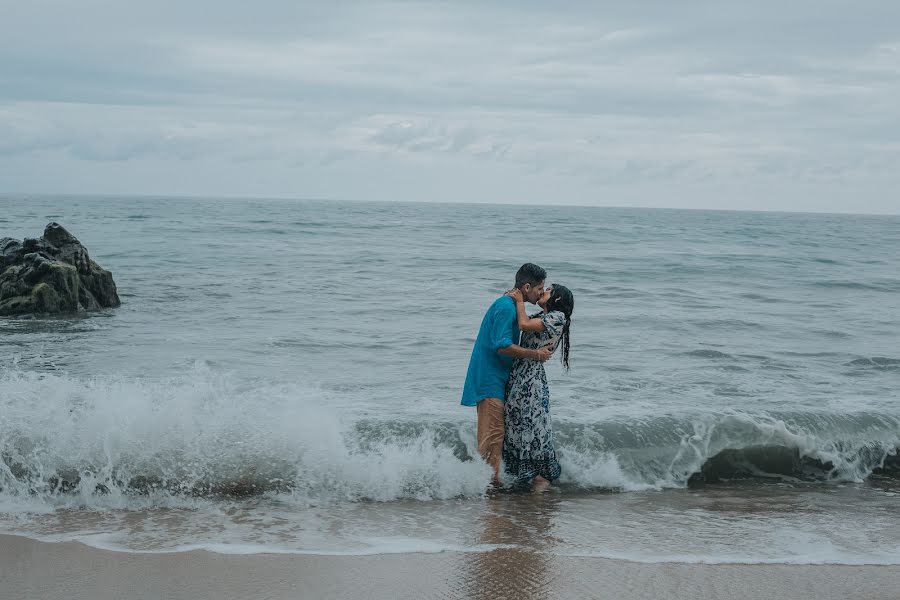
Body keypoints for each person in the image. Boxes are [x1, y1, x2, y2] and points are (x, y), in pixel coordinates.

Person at [461, 263, 551, 484]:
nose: (541, 292)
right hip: (489, 379)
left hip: (498, 379)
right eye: (540, 288)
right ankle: (489, 493)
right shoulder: (506, 306)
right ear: (527, 287)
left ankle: (493, 487)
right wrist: (535, 354)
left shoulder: (512, 305)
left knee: (496, 438)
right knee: (493, 438)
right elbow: (501, 346)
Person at [502, 284, 574, 493]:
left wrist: (518, 299)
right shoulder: (543, 316)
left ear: (558, 299)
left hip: (531, 378)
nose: (544, 291)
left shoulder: (557, 317)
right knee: (518, 424)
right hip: (520, 373)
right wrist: (511, 299)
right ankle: (525, 481)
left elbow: (523, 325)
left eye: (549, 290)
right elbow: (519, 321)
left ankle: (541, 480)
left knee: (532, 427)